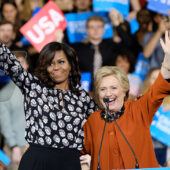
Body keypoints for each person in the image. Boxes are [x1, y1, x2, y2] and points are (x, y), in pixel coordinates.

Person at [0, 41, 97, 170]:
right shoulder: (34, 87)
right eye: (50, 64)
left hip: (71, 162)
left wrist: (92, 156)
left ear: (71, 64)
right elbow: (8, 61)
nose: (56, 67)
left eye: (61, 62)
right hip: (37, 162)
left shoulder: (83, 97)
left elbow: (102, 126)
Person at [81, 30, 170, 170]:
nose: (108, 93)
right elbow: (80, 152)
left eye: (114, 88)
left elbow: (159, 89)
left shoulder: (139, 109)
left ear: (124, 89)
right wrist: (84, 164)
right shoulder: (92, 121)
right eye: (102, 89)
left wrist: (167, 63)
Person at [0, 51, 28, 170]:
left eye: (21, 62)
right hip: (17, 148)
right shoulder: (3, 94)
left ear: (27, 65)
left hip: (38, 146)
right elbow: (5, 124)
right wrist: (14, 147)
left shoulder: (39, 89)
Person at [141, 68, 170, 166]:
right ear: (148, 80)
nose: (157, 81)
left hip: (163, 149)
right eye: (154, 78)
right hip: (143, 148)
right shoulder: (139, 101)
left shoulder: (169, 104)